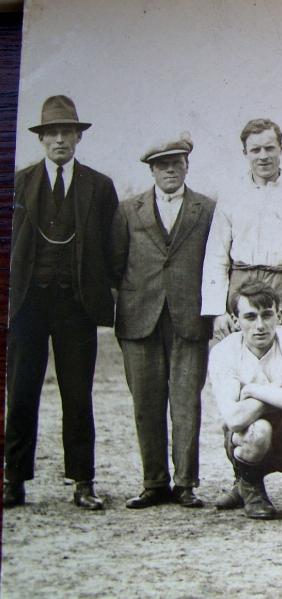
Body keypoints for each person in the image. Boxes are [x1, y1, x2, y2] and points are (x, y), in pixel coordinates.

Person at [4, 95, 118, 510]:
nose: (59, 140)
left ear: (77, 137)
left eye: (66, 132)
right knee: (20, 392)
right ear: (41, 139)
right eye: (51, 133)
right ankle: (14, 479)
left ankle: (83, 482)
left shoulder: (99, 186)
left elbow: (110, 248)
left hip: (76, 305)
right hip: (28, 305)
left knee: (77, 394)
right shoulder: (19, 183)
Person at [111, 133, 215, 509]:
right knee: (146, 402)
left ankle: (186, 483)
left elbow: (215, 262)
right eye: (161, 164)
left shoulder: (207, 209)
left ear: (187, 164)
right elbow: (114, 264)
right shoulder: (128, 210)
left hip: (189, 317)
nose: (170, 169)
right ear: (152, 170)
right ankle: (153, 482)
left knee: (186, 401)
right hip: (140, 319)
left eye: (176, 162)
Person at [201, 118, 282, 339]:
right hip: (243, 282)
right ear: (245, 152)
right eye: (255, 150)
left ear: (281, 148)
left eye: (269, 148)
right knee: (242, 355)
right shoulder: (230, 195)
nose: (263, 156)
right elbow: (216, 256)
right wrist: (217, 312)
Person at [209, 280, 282, 528]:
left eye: (267, 315)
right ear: (236, 321)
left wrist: (252, 391)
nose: (260, 326)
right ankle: (250, 486)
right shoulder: (224, 352)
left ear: (279, 315)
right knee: (258, 430)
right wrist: (279, 391)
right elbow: (235, 419)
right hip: (248, 437)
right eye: (250, 317)